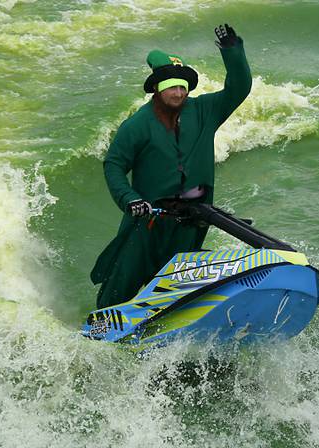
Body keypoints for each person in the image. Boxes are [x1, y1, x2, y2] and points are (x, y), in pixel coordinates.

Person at [90, 24, 252, 309]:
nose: (178, 93)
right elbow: (114, 165)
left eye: (182, 87)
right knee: (119, 288)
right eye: (171, 87)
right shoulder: (137, 125)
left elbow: (239, 87)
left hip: (192, 222)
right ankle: (100, 333)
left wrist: (232, 50)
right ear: (156, 89)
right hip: (148, 223)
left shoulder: (205, 111)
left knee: (173, 292)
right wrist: (130, 199)